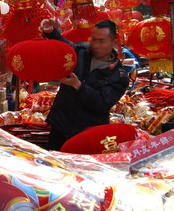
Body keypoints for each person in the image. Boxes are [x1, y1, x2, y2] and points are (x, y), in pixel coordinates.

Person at [40, 18, 129, 150]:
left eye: (101, 41)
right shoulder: (82, 52)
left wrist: (79, 86)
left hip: (87, 134)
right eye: (93, 39)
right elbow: (65, 46)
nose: (96, 45)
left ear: (114, 42)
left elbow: (102, 103)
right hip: (60, 126)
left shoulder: (119, 76)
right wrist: (51, 32)